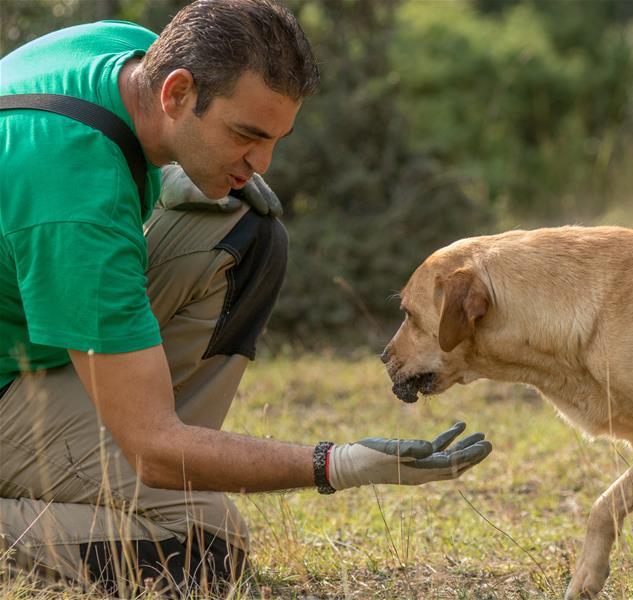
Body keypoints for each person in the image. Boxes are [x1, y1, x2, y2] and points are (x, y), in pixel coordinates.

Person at [0, 0, 492, 594]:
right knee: (206, 547)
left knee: (246, 231)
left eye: (275, 139)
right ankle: (146, 480)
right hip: (17, 370)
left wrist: (184, 172)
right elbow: (154, 451)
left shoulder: (124, 53)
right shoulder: (78, 203)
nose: (262, 162)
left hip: (33, 312)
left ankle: (156, 462)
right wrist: (337, 464)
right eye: (246, 135)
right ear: (177, 94)